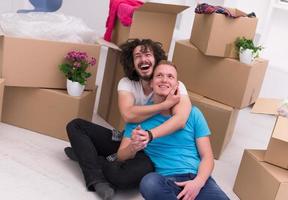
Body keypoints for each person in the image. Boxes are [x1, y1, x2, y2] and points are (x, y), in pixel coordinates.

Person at [64, 39, 191, 200]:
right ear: (132, 62)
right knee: (76, 126)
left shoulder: (173, 83)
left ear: (156, 59)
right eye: (137, 56)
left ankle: (87, 157)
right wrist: (164, 105)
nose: (143, 59)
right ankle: (96, 179)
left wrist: (149, 134)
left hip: (153, 148)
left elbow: (181, 119)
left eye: (147, 54)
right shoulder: (127, 83)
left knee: (123, 178)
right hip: (128, 138)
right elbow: (128, 115)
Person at [118, 61, 229, 200]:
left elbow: (207, 157)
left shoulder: (193, 114)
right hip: (166, 181)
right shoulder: (139, 118)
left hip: (196, 179)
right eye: (159, 75)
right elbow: (121, 155)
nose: (164, 79)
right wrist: (133, 148)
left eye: (170, 76)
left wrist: (198, 183)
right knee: (148, 183)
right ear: (151, 83)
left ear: (177, 86)